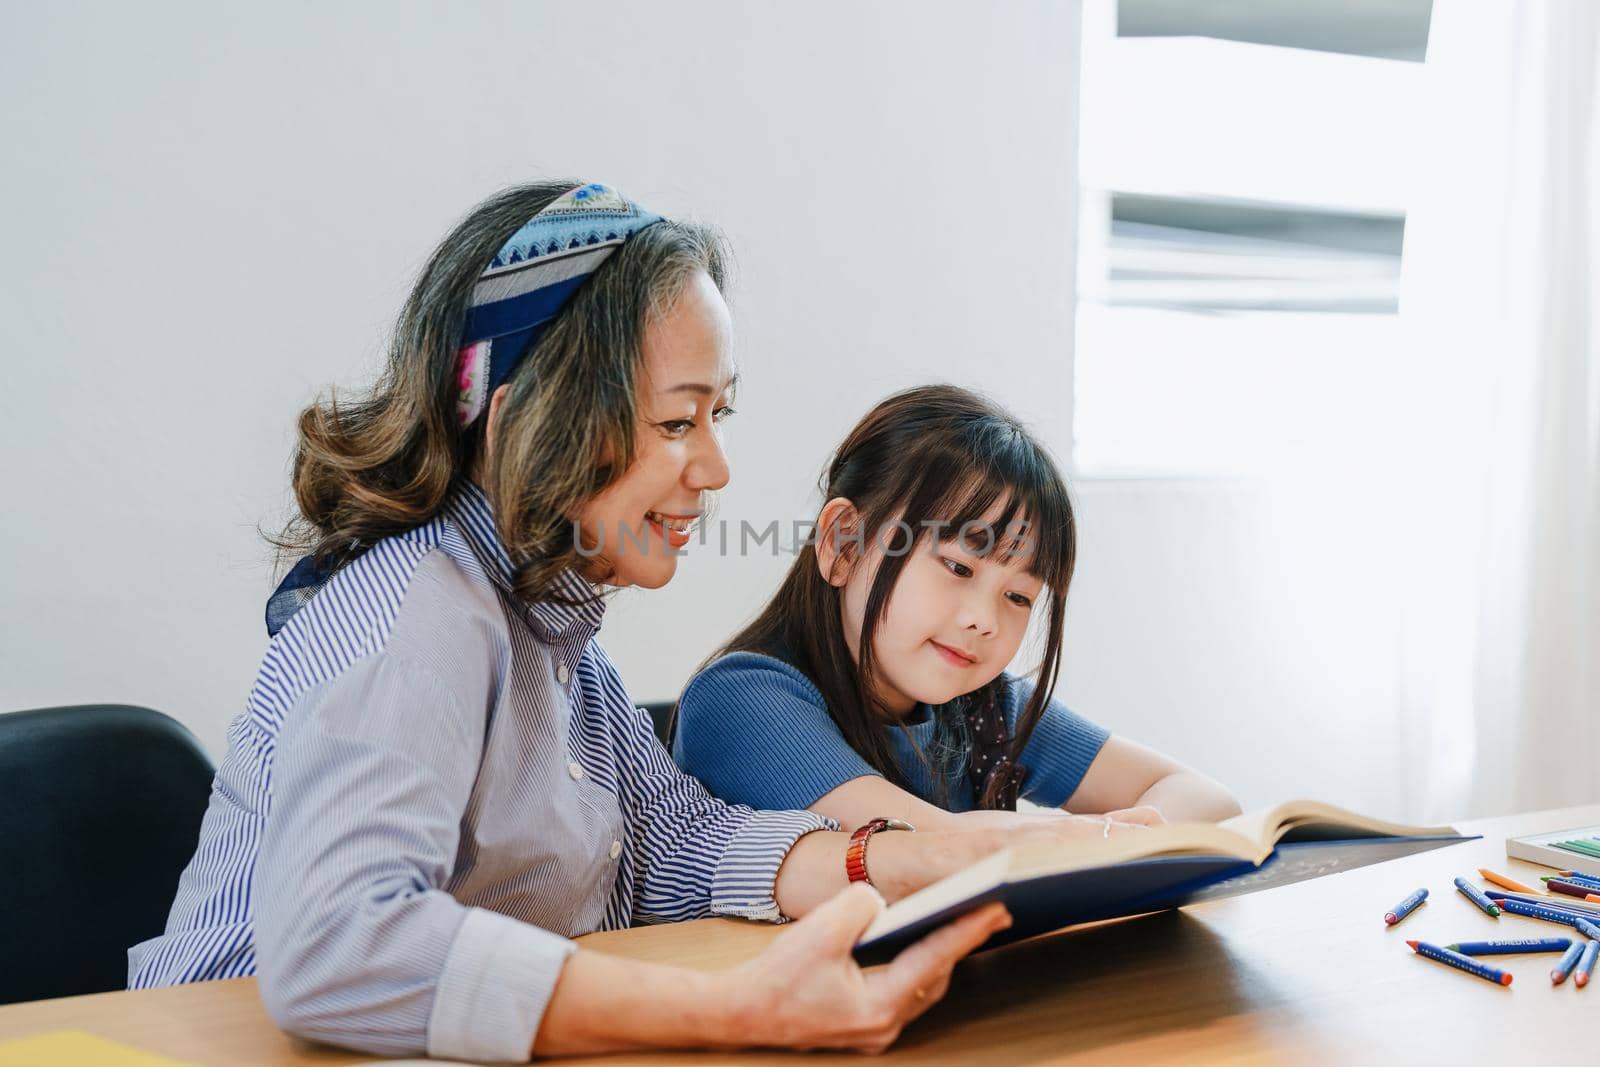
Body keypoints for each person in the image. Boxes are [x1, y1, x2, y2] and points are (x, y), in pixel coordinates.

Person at [127, 182, 1145, 1061]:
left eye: (717, 416)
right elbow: (340, 943)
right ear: (537, 413)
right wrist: (728, 1009)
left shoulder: (558, 641)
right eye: (675, 420)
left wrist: (881, 854)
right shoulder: (417, 615)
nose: (714, 468)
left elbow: (664, 844)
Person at [674, 385, 1241, 832]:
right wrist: (1096, 842)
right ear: (843, 544)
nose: (985, 621)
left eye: (1018, 596)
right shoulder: (741, 700)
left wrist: (1112, 840)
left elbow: (1208, 799)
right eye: (959, 568)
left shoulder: (985, 710)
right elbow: (936, 852)